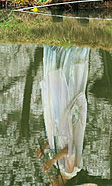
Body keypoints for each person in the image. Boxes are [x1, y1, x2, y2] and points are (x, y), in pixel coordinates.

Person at [37, 45, 91, 183]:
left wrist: (44, 148)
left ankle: (56, 50)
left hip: (57, 121)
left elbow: (57, 142)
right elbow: (68, 150)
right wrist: (52, 160)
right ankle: (69, 51)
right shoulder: (70, 170)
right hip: (66, 120)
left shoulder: (59, 167)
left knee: (55, 89)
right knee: (66, 88)